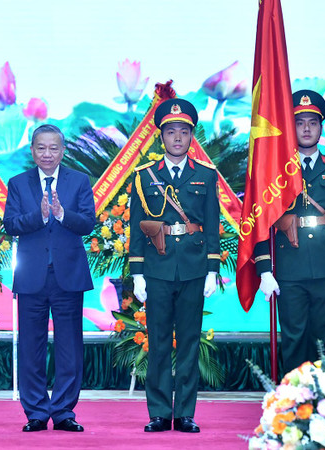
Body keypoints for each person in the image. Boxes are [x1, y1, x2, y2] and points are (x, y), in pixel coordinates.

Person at [129, 98, 220, 433]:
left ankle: (184, 413)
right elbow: (136, 227)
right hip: (157, 268)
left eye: (184, 132)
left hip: (194, 268)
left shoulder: (206, 176)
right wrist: (137, 273)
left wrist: (212, 269)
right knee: (159, 342)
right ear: (161, 137)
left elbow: (212, 225)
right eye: (171, 132)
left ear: (191, 136)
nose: (177, 138)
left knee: (190, 341)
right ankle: (158, 411)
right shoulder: (144, 176)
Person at [255, 90, 325, 375]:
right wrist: (264, 269)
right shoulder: (274, 173)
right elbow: (260, 221)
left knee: (323, 337)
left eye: (313, 122)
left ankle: (322, 403)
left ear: (321, 127)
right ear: (291, 128)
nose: (307, 128)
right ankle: (291, 403)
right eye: (300, 123)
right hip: (289, 266)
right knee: (294, 337)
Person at [3, 124, 96, 432]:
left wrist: (61, 214)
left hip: (67, 276)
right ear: (32, 150)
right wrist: (40, 217)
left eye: (53, 148)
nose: (47, 154)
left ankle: (64, 411)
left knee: (70, 346)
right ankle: (36, 412)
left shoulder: (79, 181)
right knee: (31, 347)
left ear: (62, 150)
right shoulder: (18, 183)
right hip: (31, 277)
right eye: (41, 148)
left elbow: (88, 224)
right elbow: (11, 224)